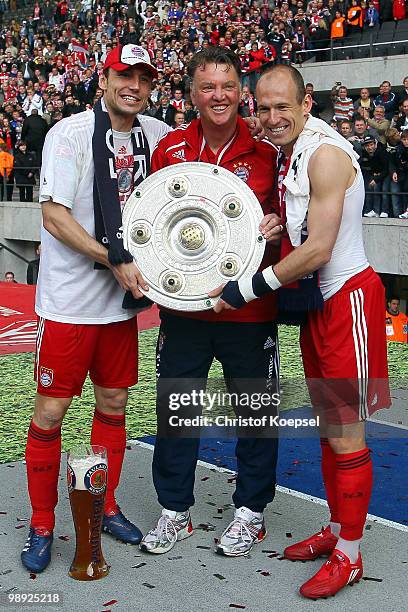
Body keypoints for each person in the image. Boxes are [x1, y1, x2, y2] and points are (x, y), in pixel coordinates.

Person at [212, 64, 390, 599]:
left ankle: (351, 554)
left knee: (347, 431)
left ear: (306, 102)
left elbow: (320, 249)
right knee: (327, 428)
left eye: (281, 106)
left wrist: (246, 289)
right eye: (261, 108)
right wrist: (276, 225)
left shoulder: (327, 153)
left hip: (347, 299)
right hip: (319, 303)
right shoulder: (295, 149)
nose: (270, 118)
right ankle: (338, 531)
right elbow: (303, 225)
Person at [21, 44, 171, 574]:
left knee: (113, 405)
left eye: (143, 78)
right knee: (51, 411)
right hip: (70, 303)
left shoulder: (155, 134)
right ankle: (43, 522)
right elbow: (54, 217)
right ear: (104, 78)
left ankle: (103, 505)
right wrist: (114, 258)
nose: (133, 85)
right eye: (123, 75)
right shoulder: (69, 134)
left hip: (120, 307)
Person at [140, 46, 281, 558]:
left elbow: (292, 223)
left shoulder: (269, 152)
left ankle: (250, 512)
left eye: (226, 87)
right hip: (184, 313)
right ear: (193, 95)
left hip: (250, 310)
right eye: (207, 87)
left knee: (255, 414)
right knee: (177, 411)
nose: (218, 96)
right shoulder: (170, 151)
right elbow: (152, 226)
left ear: (240, 92)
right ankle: (175, 511)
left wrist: (276, 226)